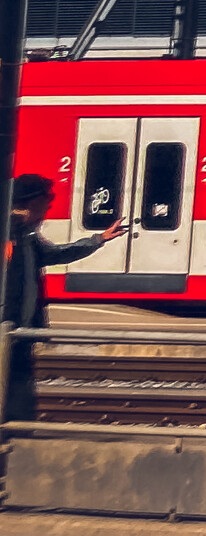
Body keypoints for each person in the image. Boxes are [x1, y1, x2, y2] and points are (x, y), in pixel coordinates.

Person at [5, 173, 119, 421]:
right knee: (14, 380)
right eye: (48, 199)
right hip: (9, 327)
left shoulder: (27, 236)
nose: (50, 206)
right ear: (32, 202)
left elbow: (57, 254)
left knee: (18, 380)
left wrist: (98, 239)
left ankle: (19, 425)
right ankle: (16, 426)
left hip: (19, 329)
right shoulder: (11, 234)